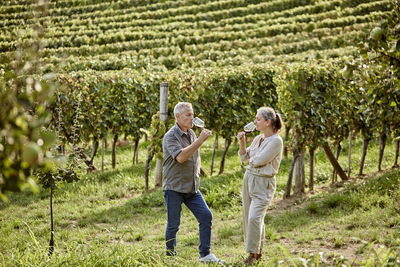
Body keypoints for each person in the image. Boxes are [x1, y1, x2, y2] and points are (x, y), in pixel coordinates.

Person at [162, 102, 224, 264]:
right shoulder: (170, 136)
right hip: (174, 188)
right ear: (177, 117)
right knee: (173, 225)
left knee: (206, 216)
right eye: (188, 115)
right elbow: (181, 158)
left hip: (192, 188)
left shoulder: (191, 134)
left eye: (192, 114)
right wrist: (201, 140)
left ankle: (205, 255)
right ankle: (170, 258)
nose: (192, 118)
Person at [236, 107, 283, 265]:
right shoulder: (257, 138)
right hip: (249, 179)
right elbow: (244, 158)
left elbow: (259, 160)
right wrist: (242, 142)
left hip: (264, 182)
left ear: (268, 122)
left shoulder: (276, 141)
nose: (255, 121)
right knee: (249, 217)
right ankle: (255, 253)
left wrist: (251, 159)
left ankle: (253, 254)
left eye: (258, 119)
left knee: (255, 217)